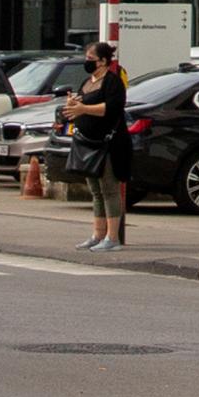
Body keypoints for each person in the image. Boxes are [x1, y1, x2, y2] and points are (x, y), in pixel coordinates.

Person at [66, 40, 131, 252]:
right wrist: (73, 105)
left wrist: (84, 108)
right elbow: (80, 105)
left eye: (91, 59)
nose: (87, 62)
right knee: (95, 190)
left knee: (109, 189)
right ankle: (97, 233)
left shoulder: (112, 82)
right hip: (87, 143)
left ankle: (112, 237)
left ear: (103, 61)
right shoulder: (87, 81)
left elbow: (111, 108)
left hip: (108, 144)